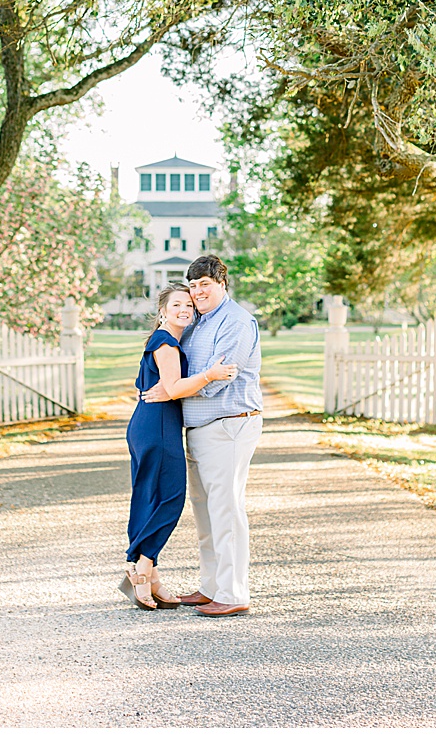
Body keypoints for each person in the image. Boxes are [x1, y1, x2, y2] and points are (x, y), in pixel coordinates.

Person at [140, 254, 264, 617]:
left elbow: (217, 379)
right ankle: (212, 586)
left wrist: (172, 390)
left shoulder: (237, 322)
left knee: (226, 509)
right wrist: (173, 386)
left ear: (222, 284)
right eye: (193, 286)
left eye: (204, 285)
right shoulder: (199, 322)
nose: (197, 292)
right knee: (206, 511)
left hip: (230, 425)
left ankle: (234, 592)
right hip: (198, 430)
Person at [120, 283, 238, 609]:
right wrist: (211, 375)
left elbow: (167, 387)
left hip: (148, 424)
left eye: (189, 305)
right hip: (158, 428)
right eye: (177, 305)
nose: (185, 309)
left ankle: (149, 574)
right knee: (170, 499)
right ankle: (142, 569)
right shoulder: (166, 341)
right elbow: (172, 387)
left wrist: (172, 390)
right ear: (162, 311)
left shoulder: (165, 339)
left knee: (149, 497)